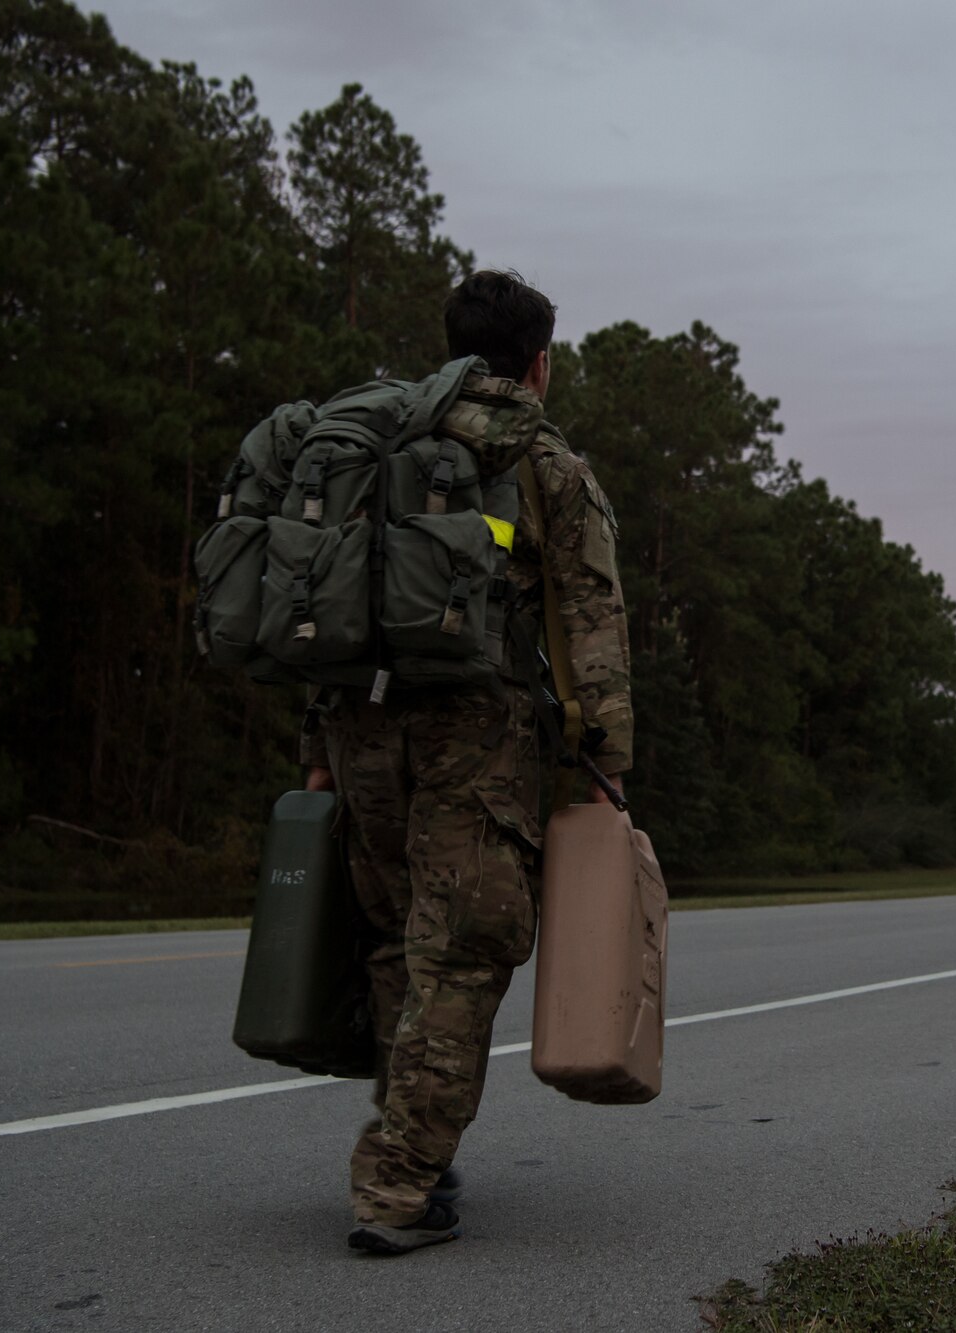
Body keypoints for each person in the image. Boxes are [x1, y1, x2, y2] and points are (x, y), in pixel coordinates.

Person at [299, 270, 634, 1256]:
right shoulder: (542, 460)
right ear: (538, 363)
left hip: (360, 725)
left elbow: (325, 596)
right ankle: (398, 1183)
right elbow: (592, 622)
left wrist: (315, 746)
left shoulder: (383, 438)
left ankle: (421, 1151)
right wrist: (605, 762)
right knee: (465, 951)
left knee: (406, 941)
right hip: (473, 735)